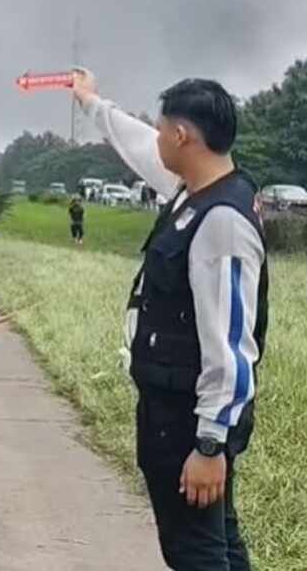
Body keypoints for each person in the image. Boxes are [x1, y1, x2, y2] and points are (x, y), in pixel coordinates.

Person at [73, 68, 268, 570]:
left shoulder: (221, 222)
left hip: (189, 423)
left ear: (182, 136)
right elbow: (137, 143)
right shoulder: (195, 189)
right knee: (217, 541)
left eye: (162, 129)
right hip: (175, 411)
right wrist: (93, 103)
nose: (155, 137)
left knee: (195, 552)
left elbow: (231, 350)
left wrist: (208, 445)